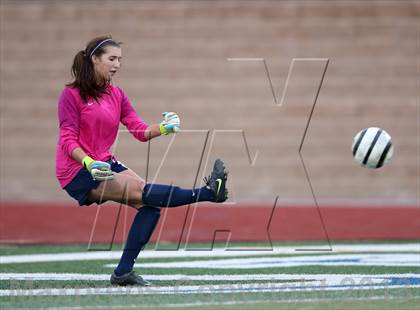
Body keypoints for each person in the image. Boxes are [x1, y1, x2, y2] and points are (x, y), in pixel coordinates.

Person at [55, 35, 228, 286]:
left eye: (120, 60)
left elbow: (139, 131)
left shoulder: (117, 94)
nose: (117, 65)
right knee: (142, 190)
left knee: (150, 207)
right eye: (111, 59)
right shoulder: (71, 95)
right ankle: (208, 193)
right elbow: (67, 139)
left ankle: (123, 273)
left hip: (104, 162)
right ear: (94, 59)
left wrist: (165, 127)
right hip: (77, 169)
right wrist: (89, 163)